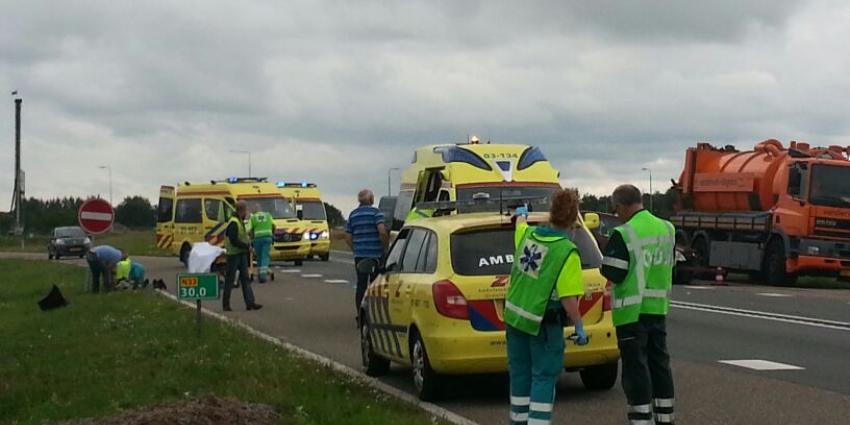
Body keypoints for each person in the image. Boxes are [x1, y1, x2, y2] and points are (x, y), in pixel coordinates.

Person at [504, 189, 589, 425]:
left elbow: (519, 225)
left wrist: (522, 214)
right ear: (574, 221)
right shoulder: (566, 252)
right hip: (543, 324)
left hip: (514, 320)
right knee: (543, 378)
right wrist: (579, 327)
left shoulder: (528, 236)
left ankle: (518, 422)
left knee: (520, 376)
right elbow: (568, 299)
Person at [600, 184, 676, 425]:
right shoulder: (667, 228)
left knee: (636, 369)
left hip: (632, 312)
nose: (617, 213)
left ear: (621, 205)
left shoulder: (625, 233)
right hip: (658, 308)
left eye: (616, 209)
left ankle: (641, 420)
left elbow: (614, 271)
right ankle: (665, 417)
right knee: (660, 365)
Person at [343, 189, 389, 316]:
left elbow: (347, 236)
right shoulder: (376, 213)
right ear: (370, 200)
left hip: (360, 256)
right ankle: (375, 313)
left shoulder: (353, 215)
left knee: (361, 285)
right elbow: (382, 231)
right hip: (375, 255)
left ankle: (360, 314)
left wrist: (356, 249)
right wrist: (385, 247)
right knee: (376, 286)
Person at [223, 201, 262, 312]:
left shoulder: (239, 221)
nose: (247, 213)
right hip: (233, 255)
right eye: (246, 210)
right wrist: (246, 246)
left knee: (245, 279)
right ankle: (226, 305)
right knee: (230, 280)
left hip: (241, 254)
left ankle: (250, 303)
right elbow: (233, 239)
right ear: (241, 210)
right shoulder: (234, 222)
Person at [249, 204, 275, 283]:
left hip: (257, 239)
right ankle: (262, 274)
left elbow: (250, 229)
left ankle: (261, 275)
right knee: (265, 256)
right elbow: (273, 225)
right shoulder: (268, 215)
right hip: (267, 238)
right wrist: (272, 234)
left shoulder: (253, 217)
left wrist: (251, 238)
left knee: (259, 257)